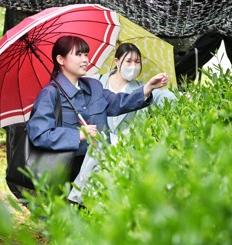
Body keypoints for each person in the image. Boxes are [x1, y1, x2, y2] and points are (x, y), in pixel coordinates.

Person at [27, 36, 169, 186]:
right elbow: (40, 134)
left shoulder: (93, 86)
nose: (85, 60)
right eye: (78, 55)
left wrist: (148, 88)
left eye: (86, 54)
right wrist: (79, 135)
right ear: (61, 60)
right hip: (67, 173)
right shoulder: (50, 94)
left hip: (99, 170)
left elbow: (118, 103)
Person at [68, 43, 177, 205]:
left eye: (137, 62)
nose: (133, 66)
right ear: (117, 61)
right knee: (89, 196)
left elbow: (166, 98)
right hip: (91, 151)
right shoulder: (96, 82)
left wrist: (182, 96)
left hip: (125, 154)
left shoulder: (142, 88)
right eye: (128, 61)